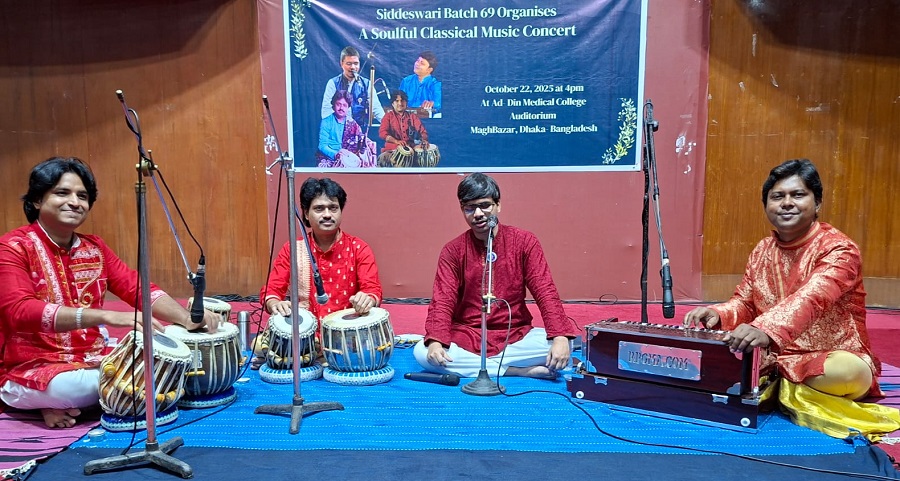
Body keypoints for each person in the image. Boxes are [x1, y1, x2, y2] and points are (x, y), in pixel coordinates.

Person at [683, 159, 899, 439]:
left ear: (817, 203)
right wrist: (719, 314)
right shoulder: (762, 250)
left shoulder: (839, 249)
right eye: (777, 197)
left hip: (828, 358)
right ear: (766, 205)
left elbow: (813, 297)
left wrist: (765, 329)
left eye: (797, 195)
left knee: (846, 372)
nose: (787, 203)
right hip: (777, 356)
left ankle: (770, 382)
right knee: (706, 360)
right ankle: (780, 384)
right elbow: (745, 301)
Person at [0, 157, 221, 429]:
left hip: (93, 360)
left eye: (82, 196)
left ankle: (57, 402)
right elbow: (20, 311)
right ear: (37, 200)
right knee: (75, 387)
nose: (74, 202)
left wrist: (186, 318)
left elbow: (137, 287)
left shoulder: (94, 248)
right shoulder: (12, 247)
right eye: (62, 193)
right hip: (31, 366)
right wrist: (107, 316)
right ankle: (51, 399)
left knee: (164, 355)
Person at [414, 173, 580, 379]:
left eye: (485, 205)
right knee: (422, 352)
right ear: (462, 210)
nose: (478, 214)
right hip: (467, 334)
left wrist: (560, 336)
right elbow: (442, 301)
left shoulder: (525, 242)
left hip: (515, 334)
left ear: (498, 205)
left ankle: (486, 367)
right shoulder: (452, 250)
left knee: (565, 344)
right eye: (469, 208)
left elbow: (544, 289)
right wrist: (436, 342)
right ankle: (516, 371)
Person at [260, 177, 382, 324]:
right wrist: (275, 303)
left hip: (347, 330)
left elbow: (372, 289)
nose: (327, 214)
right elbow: (272, 290)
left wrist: (367, 299)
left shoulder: (359, 248)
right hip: (304, 330)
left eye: (333, 208)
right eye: (319, 208)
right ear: (306, 213)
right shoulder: (293, 249)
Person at [320, 46, 384, 129]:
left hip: (360, 131)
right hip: (338, 130)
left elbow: (376, 109)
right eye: (349, 64)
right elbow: (326, 111)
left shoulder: (367, 84)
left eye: (356, 63)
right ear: (341, 64)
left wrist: (389, 126)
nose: (353, 67)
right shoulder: (333, 83)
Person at [317, 90, 377, 168]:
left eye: (344, 105)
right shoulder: (326, 122)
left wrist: (368, 143)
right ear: (333, 105)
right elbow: (322, 146)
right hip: (329, 157)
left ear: (348, 107)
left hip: (348, 156)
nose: (341, 108)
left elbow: (360, 138)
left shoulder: (352, 123)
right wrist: (336, 154)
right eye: (338, 104)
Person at [377, 90, 432, 168]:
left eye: (402, 100)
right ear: (392, 103)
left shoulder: (412, 117)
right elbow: (382, 133)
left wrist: (424, 140)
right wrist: (396, 141)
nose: (400, 103)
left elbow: (423, 131)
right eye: (397, 101)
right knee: (384, 158)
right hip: (392, 149)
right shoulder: (388, 116)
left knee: (423, 156)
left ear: (406, 103)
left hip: (410, 148)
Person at [399, 51, 442, 116]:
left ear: (429, 70)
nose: (417, 64)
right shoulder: (406, 81)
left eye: (422, 63)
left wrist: (432, 104)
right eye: (417, 61)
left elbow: (438, 103)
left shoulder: (436, 84)